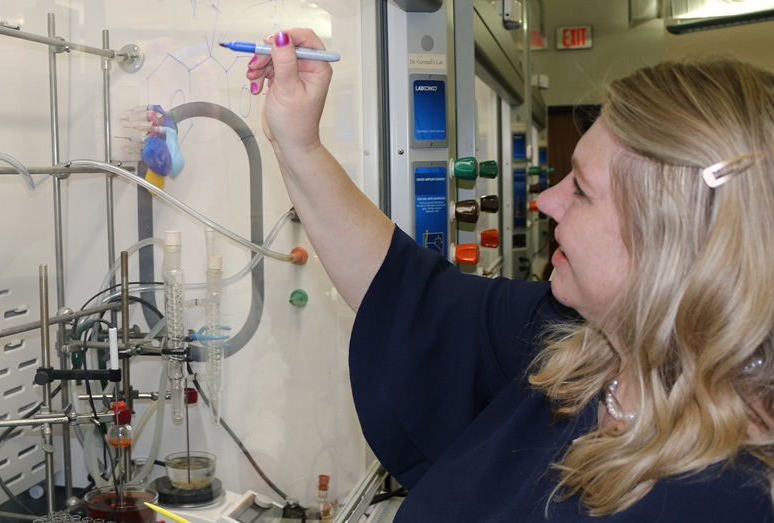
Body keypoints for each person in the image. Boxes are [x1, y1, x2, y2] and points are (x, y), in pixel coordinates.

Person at [245, 28, 774, 521]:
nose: (546, 200)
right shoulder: (577, 347)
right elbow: (409, 297)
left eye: (582, 190)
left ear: (671, 240)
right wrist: (299, 143)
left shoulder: (725, 498)